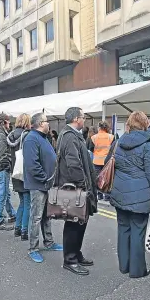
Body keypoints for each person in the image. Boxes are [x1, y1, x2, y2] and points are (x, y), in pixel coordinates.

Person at [107, 111, 150, 279]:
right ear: (145, 125)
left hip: (119, 192)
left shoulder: (117, 143)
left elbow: (109, 164)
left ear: (129, 125)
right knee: (138, 231)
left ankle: (124, 266)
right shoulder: (147, 147)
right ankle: (137, 270)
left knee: (123, 229)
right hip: (140, 195)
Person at [55, 107, 97, 275]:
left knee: (80, 223)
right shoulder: (70, 137)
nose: (84, 119)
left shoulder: (72, 135)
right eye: (83, 117)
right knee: (73, 224)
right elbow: (74, 164)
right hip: (74, 188)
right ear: (75, 119)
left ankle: (76, 254)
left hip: (76, 186)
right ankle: (70, 260)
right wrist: (83, 185)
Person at [23, 113, 63, 263]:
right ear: (40, 123)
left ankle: (49, 242)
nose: (49, 124)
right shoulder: (32, 139)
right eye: (47, 122)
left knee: (47, 215)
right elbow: (32, 165)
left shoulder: (42, 138)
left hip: (46, 184)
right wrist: (45, 179)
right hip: (39, 185)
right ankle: (33, 248)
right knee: (36, 217)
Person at [7, 113, 31, 240]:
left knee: (22, 202)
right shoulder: (27, 135)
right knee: (27, 203)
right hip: (24, 172)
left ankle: (17, 228)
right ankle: (24, 231)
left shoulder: (10, 135)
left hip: (15, 171)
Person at [91, 121, 114, 201]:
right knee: (107, 179)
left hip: (96, 161)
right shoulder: (111, 137)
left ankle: (99, 195)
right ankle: (107, 196)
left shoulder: (94, 137)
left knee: (98, 179)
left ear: (99, 128)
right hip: (107, 162)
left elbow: (90, 148)